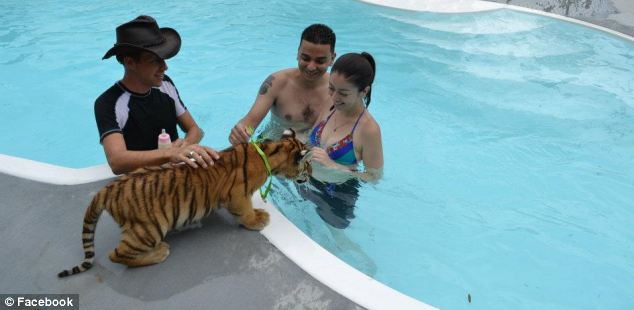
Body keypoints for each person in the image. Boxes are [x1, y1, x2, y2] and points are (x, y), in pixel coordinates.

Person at [95, 15, 219, 175]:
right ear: (130, 62)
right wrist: (169, 154)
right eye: (155, 60)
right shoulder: (108, 103)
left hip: (176, 176)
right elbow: (117, 161)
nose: (165, 67)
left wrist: (186, 144)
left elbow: (195, 129)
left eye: (164, 59)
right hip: (143, 185)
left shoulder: (166, 84)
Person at [301, 52, 384, 229]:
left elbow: (374, 177)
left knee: (335, 241)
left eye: (344, 93)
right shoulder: (330, 105)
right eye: (331, 88)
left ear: (364, 91)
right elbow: (310, 141)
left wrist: (334, 165)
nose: (334, 97)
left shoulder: (369, 129)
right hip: (307, 179)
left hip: (337, 196)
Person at [228, 24, 336, 144]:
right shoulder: (277, 83)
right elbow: (249, 123)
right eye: (305, 58)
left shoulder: (339, 90)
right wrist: (240, 133)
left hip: (315, 153)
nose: (311, 67)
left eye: (320, 61)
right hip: (274, 145)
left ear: (332, 58)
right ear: (297, 54)